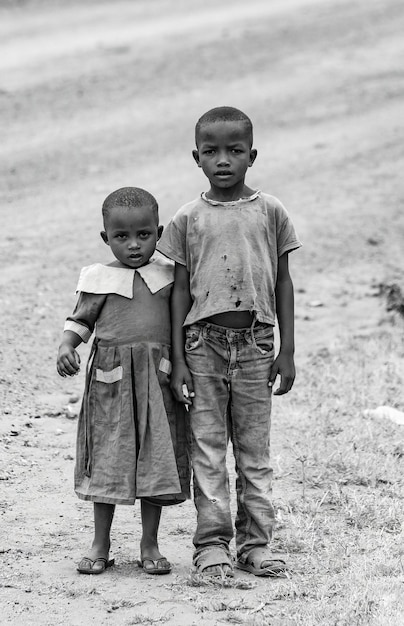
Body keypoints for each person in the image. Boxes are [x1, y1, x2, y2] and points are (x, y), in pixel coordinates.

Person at [157, 106, 302, 578]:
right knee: (208, 448)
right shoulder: (186, 218)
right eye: (211, 151)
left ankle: (256, 544)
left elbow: (283, 282)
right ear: (195, 157)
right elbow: (179, 290)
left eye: (234, 151)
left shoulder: (271, 210)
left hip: (258, 345)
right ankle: (212, 544)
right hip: (203, 346)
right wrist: (178, 357)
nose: (223, 160)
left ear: (251, 155)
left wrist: (288, 350)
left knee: (255, 452)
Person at [57, 187, 190, 575]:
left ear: (159, 232)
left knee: (155, 459)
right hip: (110, 385)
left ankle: (150, 543)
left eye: (144, 235)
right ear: (106, 238)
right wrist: (67, 346)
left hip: (158, 382)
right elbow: (80, 321)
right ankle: (101, 542)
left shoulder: (169, 275)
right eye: (121, 237)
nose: (134, 245)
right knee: (108, 459)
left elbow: (184, 321)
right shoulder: (98, 278)